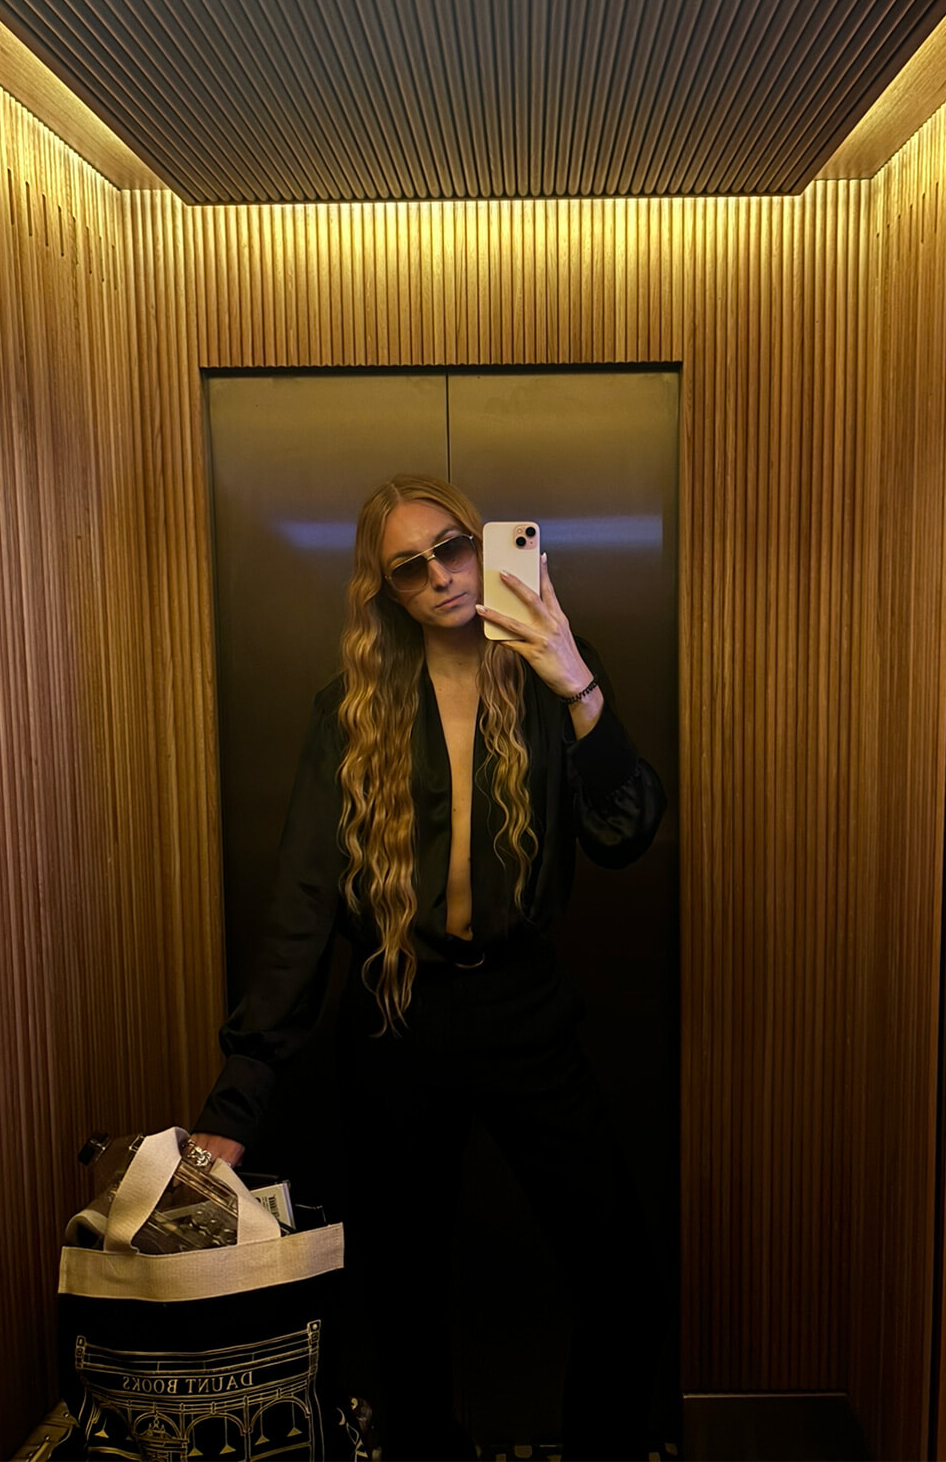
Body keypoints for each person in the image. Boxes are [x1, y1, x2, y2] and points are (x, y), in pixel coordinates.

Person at [193, 473, 666, 1461]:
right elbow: (301, 909)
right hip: (397, 1014)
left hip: (526, 1009)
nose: (442, 575)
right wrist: (236, 1105)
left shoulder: (550, 676)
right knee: (404, 1290)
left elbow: (625, 833)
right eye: (411, 567)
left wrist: (574, 675)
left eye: (453, 547)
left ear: (484, 546)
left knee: (616, 1260)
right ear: (388, 593)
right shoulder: (349, 712)